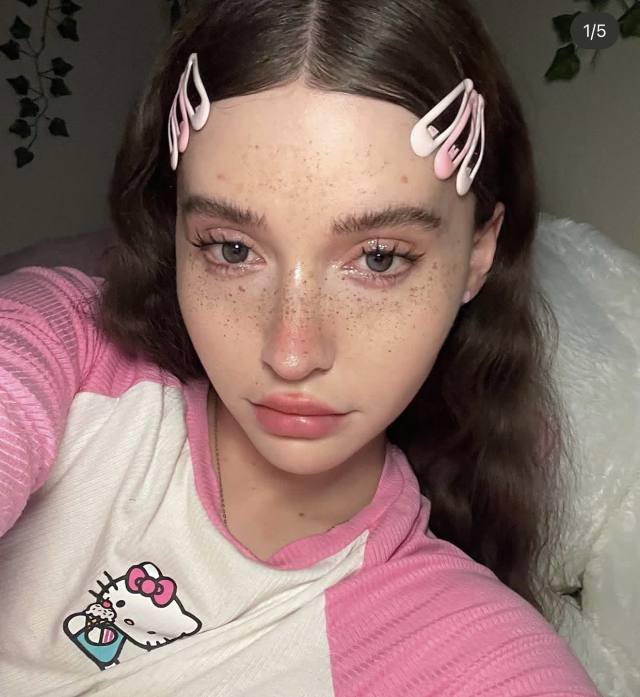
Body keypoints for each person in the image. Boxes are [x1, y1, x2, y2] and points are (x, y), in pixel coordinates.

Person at [0, 0, 601, 694]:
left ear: (477, 255)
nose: (291, 354)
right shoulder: (65, 346)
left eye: (378, 257)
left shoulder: (467, 649)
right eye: (232, 249)